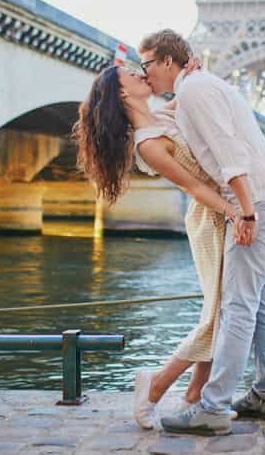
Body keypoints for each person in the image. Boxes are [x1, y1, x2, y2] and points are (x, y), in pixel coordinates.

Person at [137, 30, 265, 437]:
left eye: (148, 64)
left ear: (169, 62)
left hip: (257, 202)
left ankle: (213, 407)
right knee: (263, 300)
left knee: (237, 305)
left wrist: (244, 213)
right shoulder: (199, 87)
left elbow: (230, 153)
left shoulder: (196, 91)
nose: (145, 74)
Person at [73, 65, 240, 430]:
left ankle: (196, 393)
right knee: (218, 316)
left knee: (218, 312)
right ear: (121, 93)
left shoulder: (160, 115)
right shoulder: (147, 142)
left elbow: (186, 101)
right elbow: (193, 188)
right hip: (209, 219)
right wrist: (236, 213)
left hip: (221, 214)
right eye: (132, 73)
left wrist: (189, 74)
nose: (140, 72)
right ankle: (155, 385)